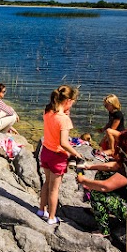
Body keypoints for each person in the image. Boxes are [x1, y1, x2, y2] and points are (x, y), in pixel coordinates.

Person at [76, 129, 127, 237]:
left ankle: (103, 231)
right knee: (102, 174)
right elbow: (112, 166)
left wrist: (84, 181)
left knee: (97, 193)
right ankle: (104, 209)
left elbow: (106, 187)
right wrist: (89, 166)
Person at [38, 85, 82, 225]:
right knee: (54, 189)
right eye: (73, 101)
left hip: (45, 152)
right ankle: (51, 217)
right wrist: (76, 153)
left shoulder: (48, 111)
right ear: (68, 100)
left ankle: (41, 210)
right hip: (57, 156)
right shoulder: (63, 119)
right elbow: (63, 142)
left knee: (46, 182)